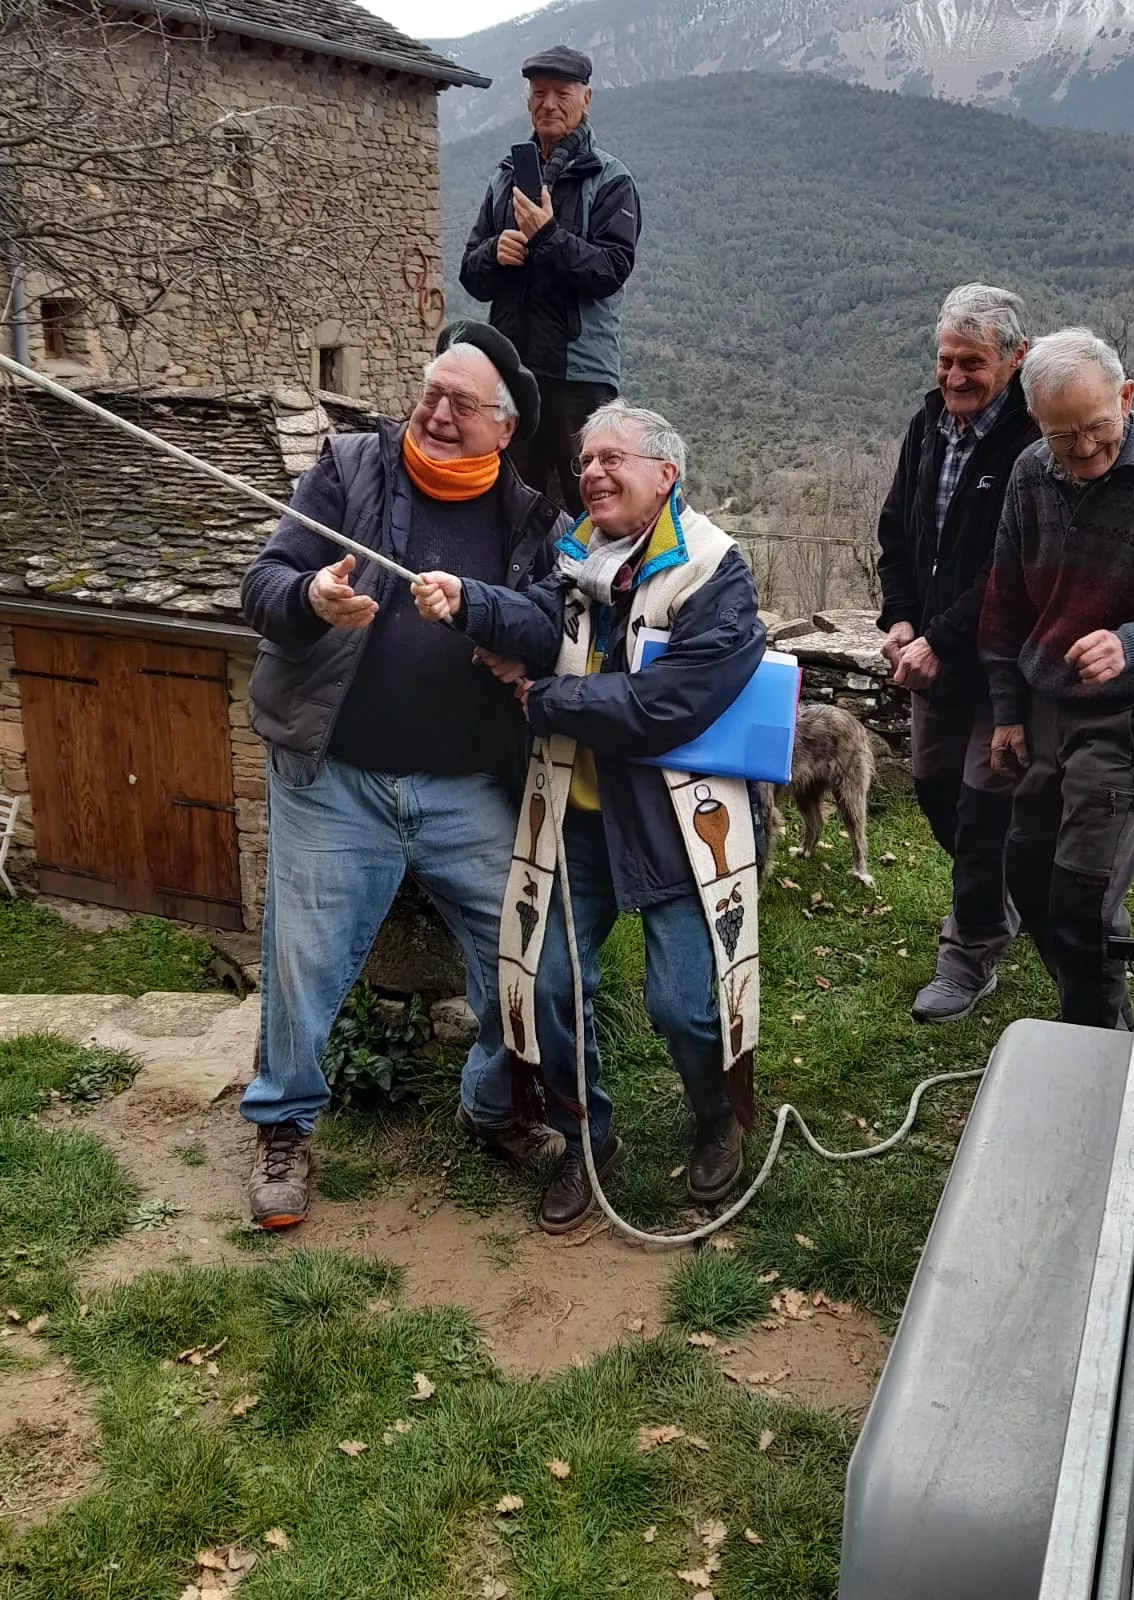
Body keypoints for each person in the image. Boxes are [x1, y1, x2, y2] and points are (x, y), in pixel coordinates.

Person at [238, 320, 570, 1228]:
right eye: (429, 391)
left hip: (467, 790)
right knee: (301, 964)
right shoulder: (349, 469)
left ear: (503, 429)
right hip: (334, 778)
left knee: (525, 961)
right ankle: (283, 1127)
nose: (435, 412)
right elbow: (261, 584)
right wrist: (311, 600)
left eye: (462, 403)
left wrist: (478, 607)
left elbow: (549, 629)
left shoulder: (532, 520)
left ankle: (494, 1105)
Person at [413, 401, 766, 1234]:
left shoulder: (716, 569)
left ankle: (715, 1121)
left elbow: (670, 703)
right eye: (585, 462)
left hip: (679, 828)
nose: (593, 474)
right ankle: (585, 1136)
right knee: (543, 985)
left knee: (682, 1004)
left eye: (613, 459)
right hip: (574, 821)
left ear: (665, 475)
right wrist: (469, 601)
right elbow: (538, 616)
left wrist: (550, 700)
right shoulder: (580, 551)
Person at [980, 327, 1134, 1028]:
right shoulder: (1028, 474)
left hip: (1126, 716)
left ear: (1126, 397)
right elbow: (1006, 601)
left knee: (1081, 894)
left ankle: (1095, 1038)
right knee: (1028, 876)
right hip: (1045, 704)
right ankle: (1096, 998)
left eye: (1097, 429)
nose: (1082, 452)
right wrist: (1008, 711)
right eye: (1060, 435)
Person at [876, 283, 1040, 1023]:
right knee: (937, 794)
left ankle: (969, 955)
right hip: (932, 661)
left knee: (982, 814)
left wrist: (941, 640)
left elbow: (1015, 570)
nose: (954, 377)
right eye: (946, 360)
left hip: (1000, 671)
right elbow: (897, 532)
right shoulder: (928, 425)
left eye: (972, 362)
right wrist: (904, 620)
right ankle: (1008, 901)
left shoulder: (1034, 443)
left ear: (1015, 359)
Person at [459, 45, 642, 518]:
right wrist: (495, 254)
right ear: (527, 101)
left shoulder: (609, 179)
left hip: (578, 378)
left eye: (562, 93)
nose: (549, 104)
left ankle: (594, 593)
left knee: (593, 509)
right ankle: (514, 593)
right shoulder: (505, 179)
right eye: (539, 93)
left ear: (586, 100)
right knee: (507, 507)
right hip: (512, 374)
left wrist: (547, 237)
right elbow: (471, 275)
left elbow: (610, 270)